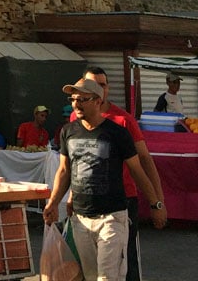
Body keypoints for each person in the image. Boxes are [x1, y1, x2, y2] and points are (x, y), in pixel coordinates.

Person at [44, 78, 166, 281]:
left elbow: (137, 170)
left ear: (98, 101)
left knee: (107, 277)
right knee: (91, 276)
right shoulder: (68, 132)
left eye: (83, 99)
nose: (76, 104)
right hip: (81, 219)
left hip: (111, 218)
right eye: (73, 99)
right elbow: (65, 171)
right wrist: (53, 202)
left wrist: (156, 203)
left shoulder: (117, 133)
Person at [77, 66, 167, 281]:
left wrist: (158, 203)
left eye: (103, 85)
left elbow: (144, 161)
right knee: (91, 269)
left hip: (122, 203)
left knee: (126, 264)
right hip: (88, 205)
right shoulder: (75, 117)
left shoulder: (123, 121)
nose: (100, 89)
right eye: (93, 84)